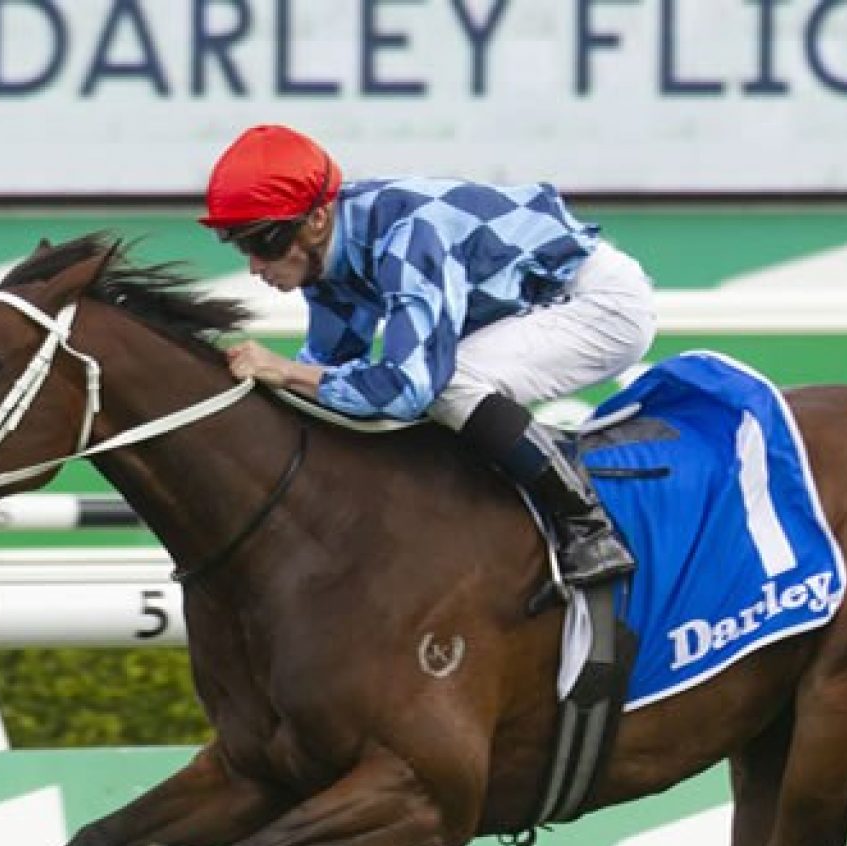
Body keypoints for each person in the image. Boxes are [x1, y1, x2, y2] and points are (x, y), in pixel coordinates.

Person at [199, 124, 655, 590]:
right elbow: (327, 376)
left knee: (450, 383)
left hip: (599, 305)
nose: (254, 266)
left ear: (316, 219)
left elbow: (406, 388)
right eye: (240, 245)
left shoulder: (410, 233)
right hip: (533, 304)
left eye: (262, 242)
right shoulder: (328, 252)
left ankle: (587, 525)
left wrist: (285, 370)